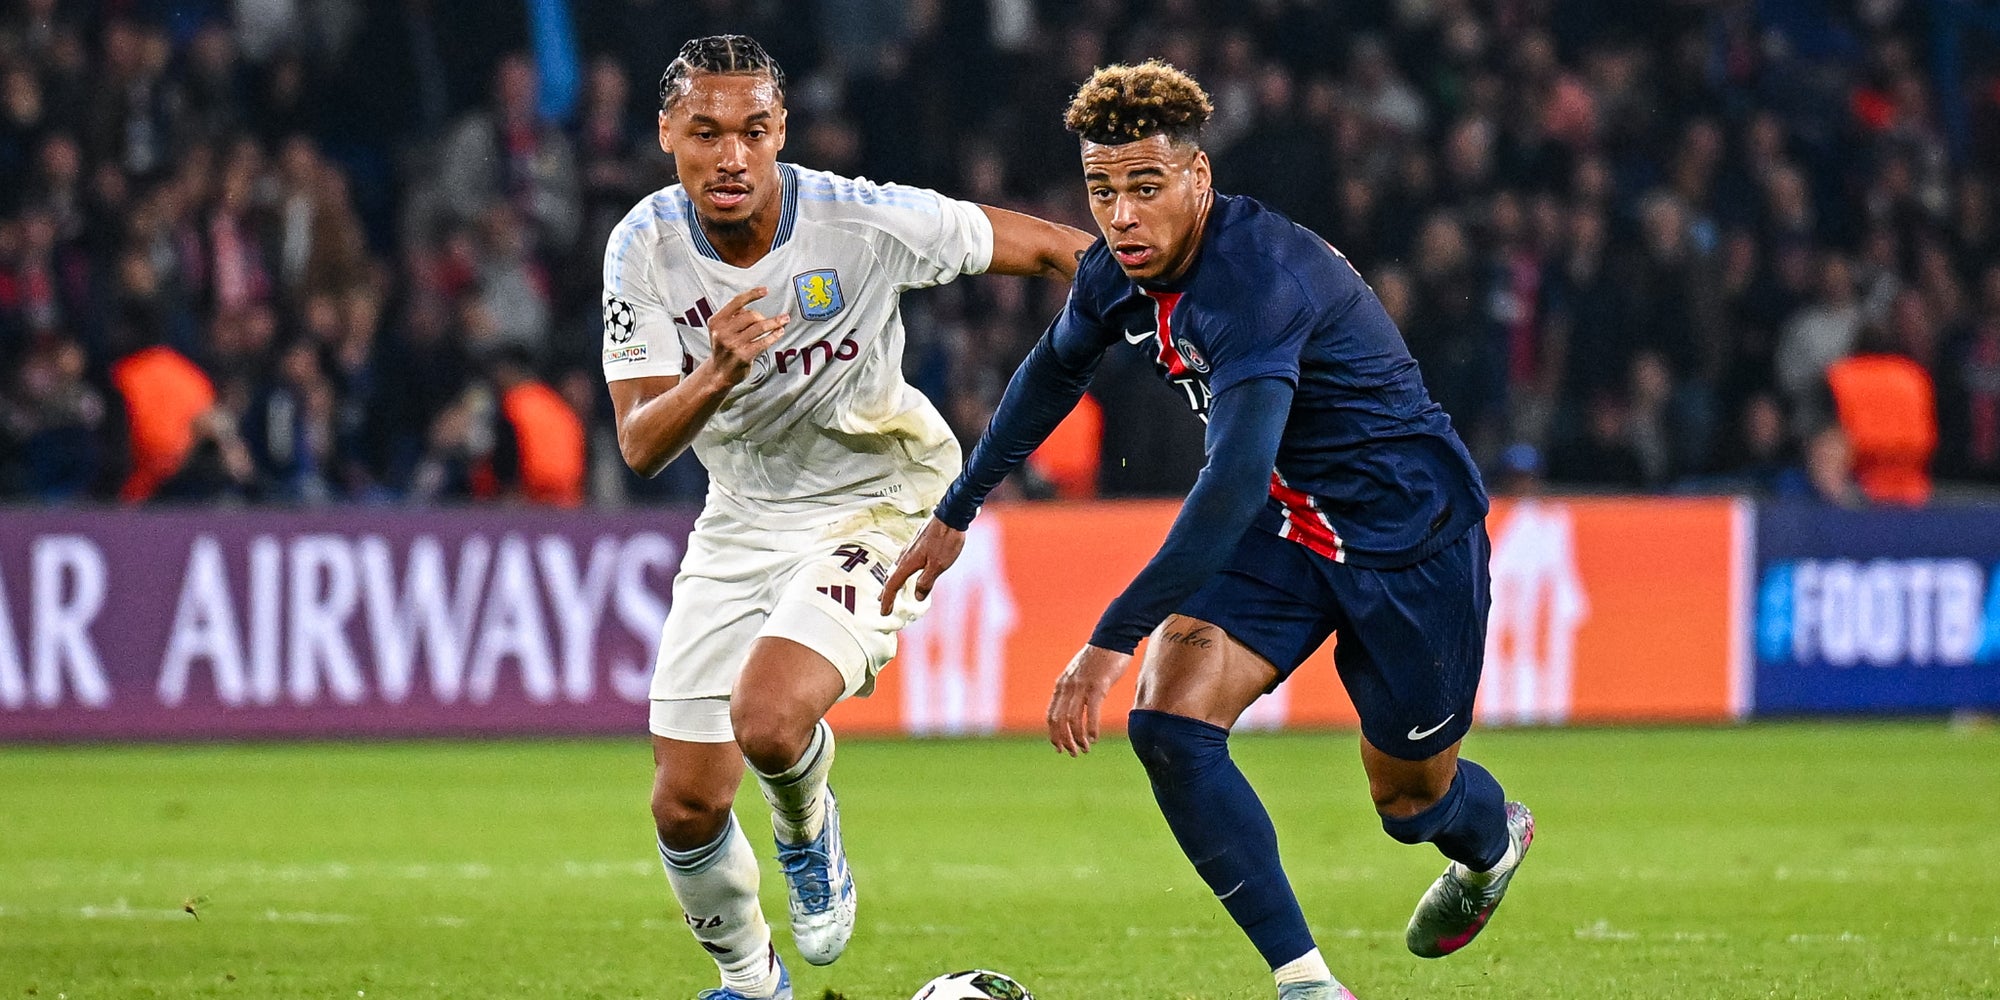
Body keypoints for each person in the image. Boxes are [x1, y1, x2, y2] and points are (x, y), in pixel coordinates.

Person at [884, 62, 1533, 1000]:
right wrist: (958, 506)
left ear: (1199, 179)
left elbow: (1225, 487)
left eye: (1146, 187)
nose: (1121, 217)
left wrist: (1110, 638)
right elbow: (1052, 370)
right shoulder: (1118, 272)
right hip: (1288, 526)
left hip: (1408, 541)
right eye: (1102, 190)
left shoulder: (1256, 286)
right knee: (1171, 723)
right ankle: (1307, 983)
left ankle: (1492, 840)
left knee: (1409, 800)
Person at [601, 35, 1092, 1000]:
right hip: (740, 518)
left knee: (771, 721)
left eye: (753, 131)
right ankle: (755, 984)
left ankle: (806, 825)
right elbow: (640, 443)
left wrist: (1182, 300)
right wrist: (719, 372)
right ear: (667, 135)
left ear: (782, 131)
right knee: (685, 806)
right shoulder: (641, 248)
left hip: (883, 500)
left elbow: (1044, 249)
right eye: (706, 132)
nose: (731, 156)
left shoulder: (863, 221)